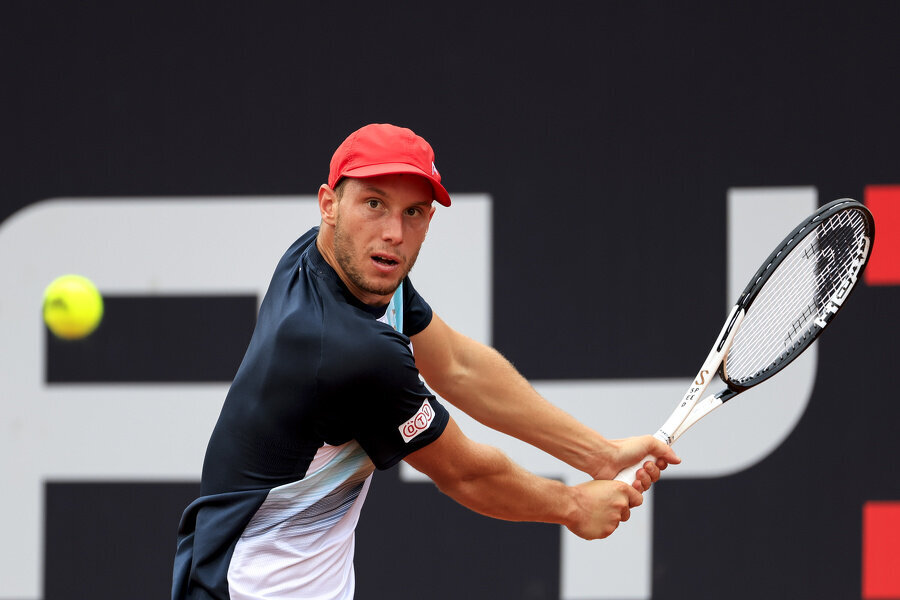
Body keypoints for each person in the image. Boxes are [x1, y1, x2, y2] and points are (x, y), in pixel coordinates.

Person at [171, 123, 680, 600]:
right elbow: (466, 474)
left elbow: (456, 364)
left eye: (413, 212)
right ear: (329, 204)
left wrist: (597, 454)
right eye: (374, 203)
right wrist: (573, 507)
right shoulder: (349, 350)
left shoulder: (338, 260)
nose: (393, 232)